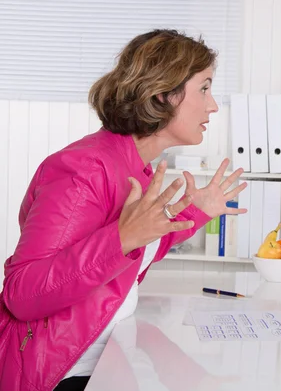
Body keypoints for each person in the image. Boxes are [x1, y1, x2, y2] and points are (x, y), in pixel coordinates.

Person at [0, 29, 247, 391]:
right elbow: (22, 295)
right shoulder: (84, 170)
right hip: (58, 374)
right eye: (205, 88)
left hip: (108, 360)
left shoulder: (137, 167)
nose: (212, 106)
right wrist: (120, 239)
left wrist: (197, 212)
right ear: (163, 93)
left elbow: (136, 250)